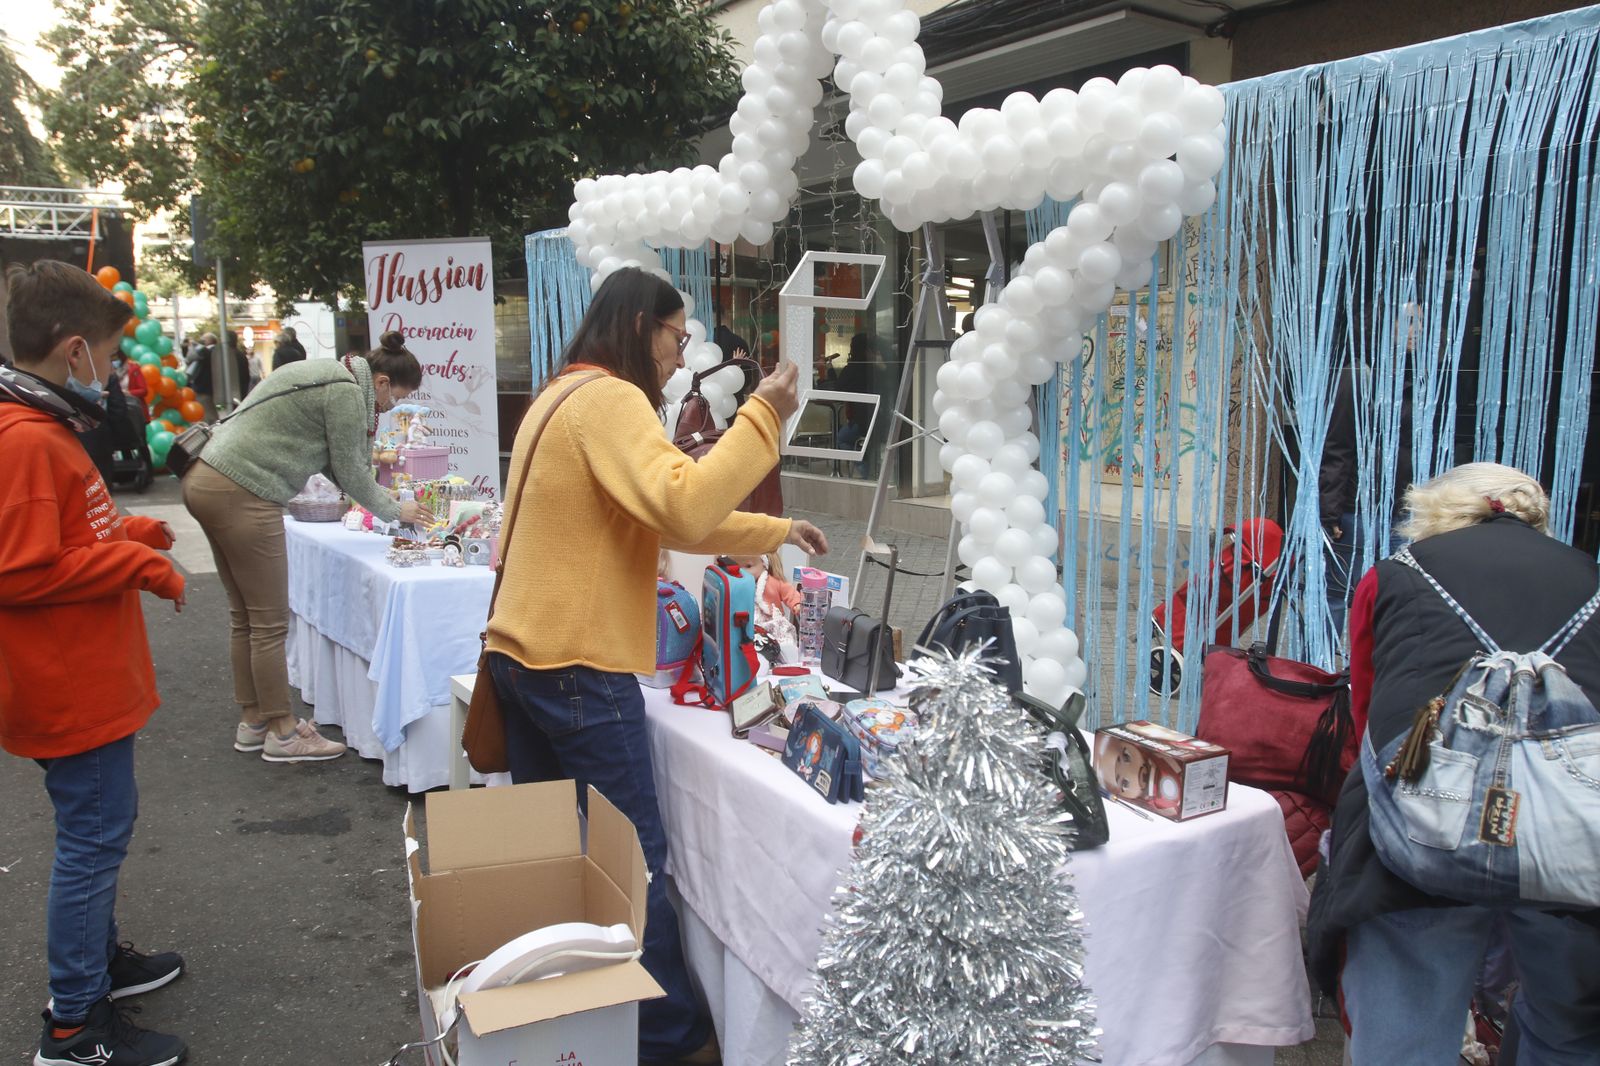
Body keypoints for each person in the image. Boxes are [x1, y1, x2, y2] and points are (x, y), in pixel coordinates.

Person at [485, 268, 828, 1066]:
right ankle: (674, 1041)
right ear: (643, 326)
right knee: (633, 861)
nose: (680, 356)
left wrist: (772, 530)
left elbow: (665, 518)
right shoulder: (609, 399)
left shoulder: (562, 394)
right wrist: (764, 415)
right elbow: (681, 504)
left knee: (562, 857)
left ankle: (572, 1014)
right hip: (576, 665)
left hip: (522, 657)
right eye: (678, 336)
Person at [1307, 462, 1600, 1064]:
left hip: (1424, 828)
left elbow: (1368, 710)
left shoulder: (1396, 573)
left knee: (1405, 1030)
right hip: (1568, 834)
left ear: (1436, 509)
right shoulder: (1591, 577)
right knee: (1568, 1028)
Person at [0, 261, 189, 1066]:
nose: (113, 373)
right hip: (71, 688)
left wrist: (129, 536)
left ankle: (97, 962)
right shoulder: (27, 439)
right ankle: (74, 1024)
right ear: (73, 349)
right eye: (108, 356)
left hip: (82, 680)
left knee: (97, 832)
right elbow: (19, 571)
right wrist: (133, 562)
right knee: (94, 840)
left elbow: (69, 535)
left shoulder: (39, 429)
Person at [181, 330, 434, 762]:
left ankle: (253, 721)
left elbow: (337, 466)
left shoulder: (328, 373)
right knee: (268, 622)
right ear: (381, 382)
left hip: (206, 477)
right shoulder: (346, 392)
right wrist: (397, 510)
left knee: (245, 617)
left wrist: (378, 498)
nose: (390, 409)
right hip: (244, 490)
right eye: (395, 400)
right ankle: (283, 732)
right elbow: (350, 472)